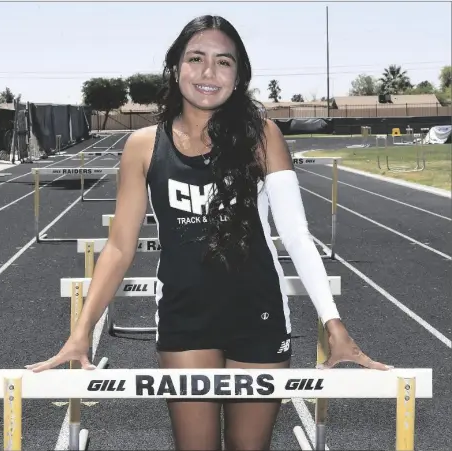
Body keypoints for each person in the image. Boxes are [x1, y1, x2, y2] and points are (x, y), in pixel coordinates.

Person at [26, 15, 391, 451]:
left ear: (238, 77)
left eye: (223, 62)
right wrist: (81, 330)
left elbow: (295, 234)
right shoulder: (143, 145)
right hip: (185, 319)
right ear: (176, 67)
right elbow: (121, 247)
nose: (208, 72)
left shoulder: (263, 136)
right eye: (196, 58)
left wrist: (334, 323)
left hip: (258, 314)